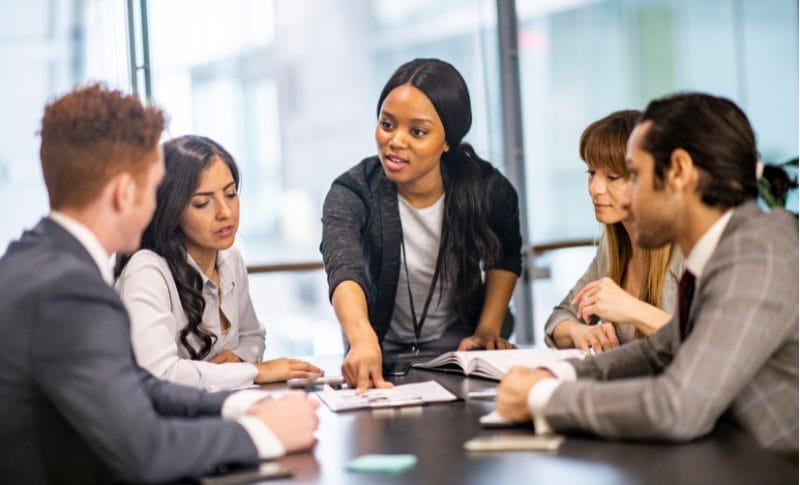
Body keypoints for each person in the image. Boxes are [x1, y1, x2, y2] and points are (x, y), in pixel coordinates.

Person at [0, 84, 319, 483]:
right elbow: (145, 451)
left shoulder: (36, 260)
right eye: (154, 188)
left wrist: (236, 408)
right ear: (123, 194)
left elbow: (138, 385)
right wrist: (263, 433)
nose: (159, 207)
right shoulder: (69, 291)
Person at [497, 92, 798, 454]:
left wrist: (544, 398)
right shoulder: (725, 250)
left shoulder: (757, 255)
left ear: (680, 172)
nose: (624, 199)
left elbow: (677, 407)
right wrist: (560, 374)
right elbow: (658, 350)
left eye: (633, 176)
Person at [321, 58, 522, 391]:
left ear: (448, 140)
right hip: (379, 348)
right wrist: (360, 337)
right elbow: (344, 267)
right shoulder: (354, 190)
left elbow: (506, 256)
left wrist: (487, 330)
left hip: (460, 349)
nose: (396, 141)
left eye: (417, 131)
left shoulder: (488, 188)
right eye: (387, 125)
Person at [115, 135, 323, 391]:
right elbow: (159, 373)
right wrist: (254, 371)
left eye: (231, 194)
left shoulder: (230, 258)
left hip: (219, 409)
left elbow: (252, 337)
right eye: (203, 203)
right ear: (172, 210)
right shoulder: (147, 270)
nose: (225, 212)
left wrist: (238, 359)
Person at [544, 110, 683, 352]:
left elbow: (708, 343)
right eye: (591, 172)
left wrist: (631, 308)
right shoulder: (611, 249)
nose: (594, 188)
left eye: (613, 176)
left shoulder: (686, 250)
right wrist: (580, 331)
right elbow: (559, 319)